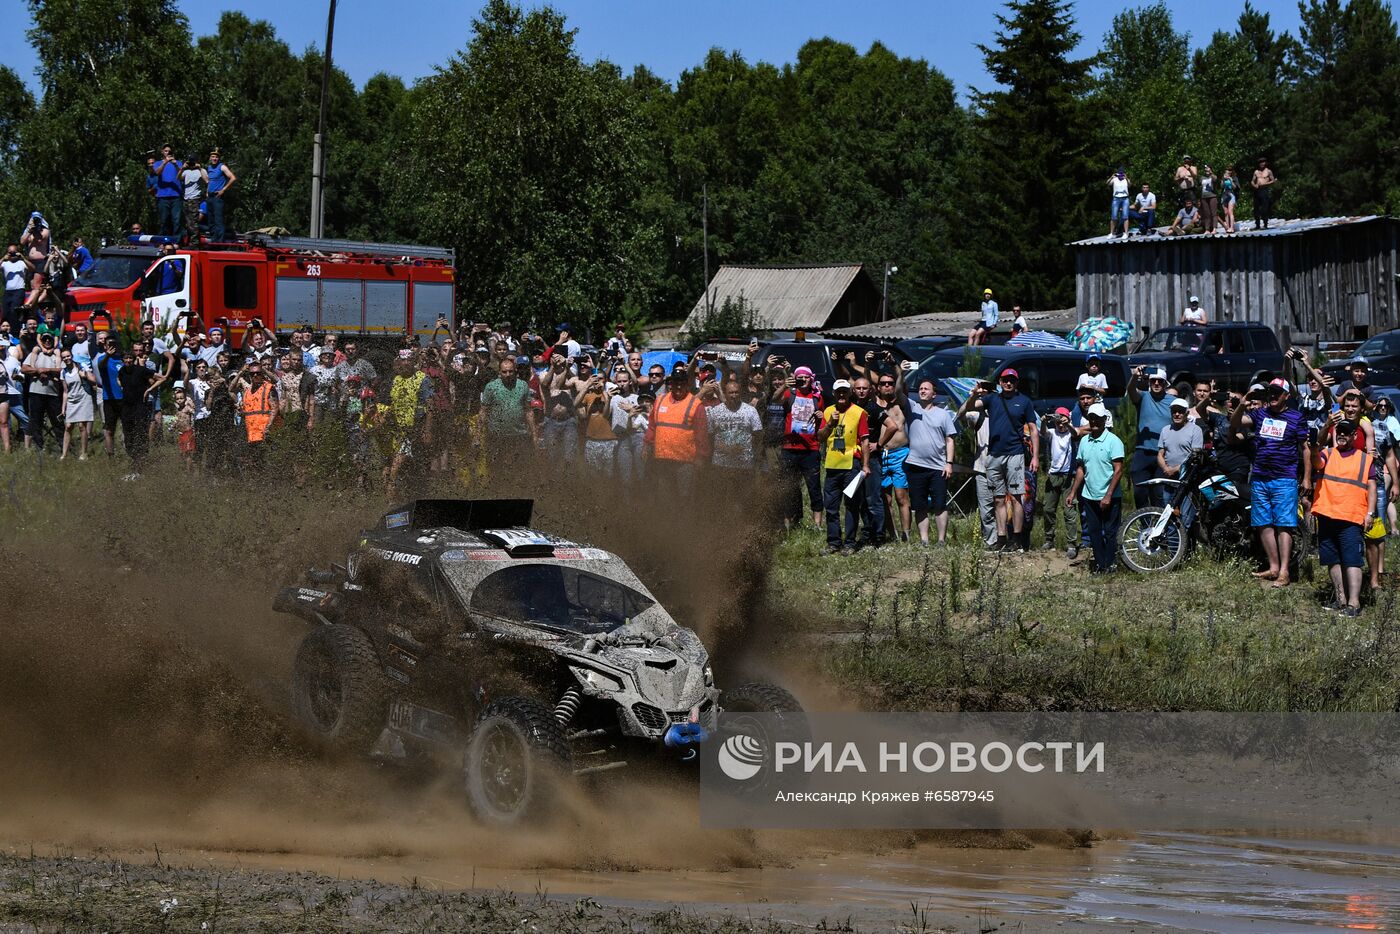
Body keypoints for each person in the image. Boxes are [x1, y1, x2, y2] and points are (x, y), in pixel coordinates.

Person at [1231, 383, 1310, 586]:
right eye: (1270, 393)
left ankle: (1285, 571)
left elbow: (1305, 448)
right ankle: (1273, 567)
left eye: (1277, 393)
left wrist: (1307, 477)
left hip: (1285, 478)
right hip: (1260, 478)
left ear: (1286, 395)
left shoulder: (1296, 417)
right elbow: (1235, 422)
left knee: (1285, 524)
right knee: (1263, 523)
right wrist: (1241, 404)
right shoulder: (1260, 414)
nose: (1272, 396)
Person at [967, 368, 1037, 553]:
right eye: (1005, 380)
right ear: (1000, 381)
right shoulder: (992, 399)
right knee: (998, 499)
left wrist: (1035, 456)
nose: (1008, 383)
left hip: (1015, 454)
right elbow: (972, 407)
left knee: (1016, 497)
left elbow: (1033, 429)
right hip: (994, 455)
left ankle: (1017, 538)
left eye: (1012, 380)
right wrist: (974, 394)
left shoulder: (1024, 401)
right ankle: (1001, 538)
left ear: (1017, 382)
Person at [1312, 419, 1375, 616]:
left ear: (1354, 436)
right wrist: (1315, 448)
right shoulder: (1327, 453)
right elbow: (1316, 462)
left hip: (1351, 516)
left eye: (1346, 433)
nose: (1342, 435)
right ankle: (1340, 601)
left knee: (1352, 560)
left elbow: (1372, 488)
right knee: (1332, 559)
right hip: (1327, 514)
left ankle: (1354, 604)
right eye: (1339, 431)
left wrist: (1370, 513)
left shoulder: (1365, 459)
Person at [1068, 403, 1124, 573]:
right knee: (1093, 532)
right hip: (1089, 495)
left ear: (1105, 419)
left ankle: (1110, 563)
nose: (1094, 421)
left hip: (1110, 496)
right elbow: (1081, 469)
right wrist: (1072, 492)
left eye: (1098, 418)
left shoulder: (1114, 441)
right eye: (1091, 418)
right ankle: (1101, 564)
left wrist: (1108, 495)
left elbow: (1119, 470)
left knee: (1109, 532)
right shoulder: (1085, 441)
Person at [817, 379, 870, 555]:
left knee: (851, 505)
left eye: (844, 391)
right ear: (833, 393)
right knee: (831, 506)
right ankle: (833, 542)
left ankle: (849, 543)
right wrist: (830, 424)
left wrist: (865, 465)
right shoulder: (828, 412)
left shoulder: (859, 412)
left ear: (850, 393)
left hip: (852, 465)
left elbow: (864, 440)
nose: (841, 395)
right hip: (832, 465)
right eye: (838, 391)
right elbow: (821, 437)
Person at [646, 370, 711, 497]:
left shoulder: (695, 404)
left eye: (682, 383)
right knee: (664, 496)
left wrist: (701, 457)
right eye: (676, 383)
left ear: (687, 384)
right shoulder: (659, 400)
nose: (679, 386)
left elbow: (701, 433)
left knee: (684, 497)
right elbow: (652, 426)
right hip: (662, 458)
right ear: (671, 384)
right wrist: (646, 444)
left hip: (685, 461)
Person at [777, 364, 825, 529]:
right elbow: (776, 400)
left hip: (810, 450)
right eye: (800, 377)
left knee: (814, 488)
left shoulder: (817, 398)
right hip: (789, 448)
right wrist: (786, 383)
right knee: (788, 487)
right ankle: (787, 523)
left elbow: (822, 425)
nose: (803, 379)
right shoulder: (789, 394)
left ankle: (817, 525)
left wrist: (821, 417)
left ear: (811, 379)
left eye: (806, 377)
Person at [1128, 365, 1176, 505]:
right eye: (1153, 380)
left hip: (1164, 454)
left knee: (1160, 495)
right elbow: (1131, 390)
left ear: (1165, 384)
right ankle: (1145, 524)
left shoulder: (1172, 401)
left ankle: (1160, 525)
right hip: (1143, 451)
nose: (1156, 383)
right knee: (1139, 492)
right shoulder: (1144, 396)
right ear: (1149, 382)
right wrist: (1135, 377)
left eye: (1160, 381)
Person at [1040, 406, 1080, 557]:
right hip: (1054, 475)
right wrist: (1044, 422)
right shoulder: (1052, 433)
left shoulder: (1071, 433)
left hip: (1068, 476)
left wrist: (1068, 423)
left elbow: (1076, 433)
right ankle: (1049, 539)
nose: (1060, 425)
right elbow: (1043, 432)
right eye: (1058, 422)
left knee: (1069, 510)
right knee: (1048, 509)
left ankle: (1071, 544)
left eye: (1063, 421)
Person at [1158, 397, 1204, 528]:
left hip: (1188, 479)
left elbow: (1195, 456)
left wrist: (1176, 469)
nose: (1177, 414)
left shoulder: (1195, 430)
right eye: (1174, 411)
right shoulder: (1165, 430)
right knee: (1168, 514)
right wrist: (1166, 468)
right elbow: (1160, 453)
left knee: (1186, 517)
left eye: (1180, 411)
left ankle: (1187, 547)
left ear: (1187, 413)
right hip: (1169, 479)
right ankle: (1174, 547)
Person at [708, 376, 763, 480]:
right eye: (731, 393)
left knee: (742, 495)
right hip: (720, 462)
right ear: (725, 394)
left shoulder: (750, 411)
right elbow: (710, 435)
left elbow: (758, 435)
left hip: (744, 463)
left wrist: (756, 457)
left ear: (740, 393)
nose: (734, 395)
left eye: (736, 392)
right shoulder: (715, 412)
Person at [116, 348, 161, 477]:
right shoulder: (122, 371)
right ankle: (135, 462)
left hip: (140, 407)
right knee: (128, 437)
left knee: (140, 434)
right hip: (126, 408)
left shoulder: (141, 370)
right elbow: (119, 380)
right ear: (123, 360)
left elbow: (161, 378)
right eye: (126, 358)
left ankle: (141, 464)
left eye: (130, 358)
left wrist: (149, 389)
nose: (128, 360)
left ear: (134, 359)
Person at [22, 331, 63, 451]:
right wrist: (38, 371)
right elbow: (24, 368)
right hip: (36, 392)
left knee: (57, 421)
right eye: (45, 339)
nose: (47, 341)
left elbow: (61, 370)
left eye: (50, 339)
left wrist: (48, 370)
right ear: (42, 341)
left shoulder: (57, 355)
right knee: (36, 420)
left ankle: (63, 446)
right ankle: (39, 447)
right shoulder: (36, 353)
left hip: (53, 393)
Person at [58, 346, 96, 460]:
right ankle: (64, 454)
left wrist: (84, 375)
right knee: (68, 426)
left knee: (81, 426)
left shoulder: (81, 366)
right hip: (72, 400)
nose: (66, 359)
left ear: (72, 356)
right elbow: (65, 391)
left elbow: (93, 380)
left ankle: (84, 453)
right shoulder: (63, 372)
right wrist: (63, 408)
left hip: (84, 397)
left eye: (68, 356)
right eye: (64, 357)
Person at [146, 144, 184, 237]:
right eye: (166, 151)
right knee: (164, 220)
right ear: (162, 152)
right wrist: (165, 162)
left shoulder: (178, 163)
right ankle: (164, 241)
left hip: (176, 196)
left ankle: (177, 241)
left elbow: (182, 175)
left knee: (177, 220)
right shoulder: (157, 163)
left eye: (169, 151)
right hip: (163, 196)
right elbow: (157, 172)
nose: (168, 153)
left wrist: (174, 164)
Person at [204, 149, 237, 241]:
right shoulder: (209, 168)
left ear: (218, 158)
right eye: (213, 157)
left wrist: (223, 189)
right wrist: (207, 192)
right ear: (210, 158)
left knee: (218, 220)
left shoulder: (222, 167)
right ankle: (214, 240)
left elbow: (233, 178)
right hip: (210, 197)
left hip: (218, 197)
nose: (214, 159)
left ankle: (219, 242)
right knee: (211, 221)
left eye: (216, 157)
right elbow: (209, 181)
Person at [2, 244, 32, 331]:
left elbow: (33, 268)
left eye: (13, 252)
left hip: (18, 290)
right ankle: (8, 330)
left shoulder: (21, 263)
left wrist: (22, 257)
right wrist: (3, 258)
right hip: (8, 291)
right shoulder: (5, 263)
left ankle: (16, 331)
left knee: (14, 310)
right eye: (10, 253)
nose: (12, 254)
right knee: (5, 311)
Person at [180, 155, 206, 243]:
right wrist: (182, 168)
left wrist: (200, 168)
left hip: (195, 199)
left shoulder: (201, 171)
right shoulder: (186, 171)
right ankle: (188, 241)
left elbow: (207, 180)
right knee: (187, 222)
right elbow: (178, 178)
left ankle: (194, 243)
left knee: (193, 222)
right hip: (186, 198)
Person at [172, 385, 197, 470]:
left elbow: (194, 411)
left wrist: (191, 405)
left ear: (185, 399)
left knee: (188, 453)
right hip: (181, 434)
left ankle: (189, 470)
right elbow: (176, 421)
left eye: (181, 398)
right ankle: (187, 467)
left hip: (188, 432)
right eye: (177, 399)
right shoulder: (178, 411)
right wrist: (172, 427)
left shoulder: (187, 408)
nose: (179, 400)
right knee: (182, 452)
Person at [1251, 157, 1277, 230]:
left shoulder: (1268, 171)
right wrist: (1254, 185)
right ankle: (1257, 225)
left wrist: (1265, 184)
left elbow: (1273, 180)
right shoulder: (1256, 171)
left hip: (1264, 190)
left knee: (1264, 208)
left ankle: (1265, 224)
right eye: (1260, 162)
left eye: (1263, 162)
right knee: (1256, 209)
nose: (1262, 164)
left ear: (1265, 163)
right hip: (1257, 190)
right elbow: (1252, 181)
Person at [1108, 167, 1131, 237]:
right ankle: (1111, 233)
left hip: (1125, 199)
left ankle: (1126, 233)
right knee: (1114, 216)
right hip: (1116, 199)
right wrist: (1111, 177)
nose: (1121, 175)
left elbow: (1130, 185)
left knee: (1125, 216)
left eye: (1122, 173)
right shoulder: (1114, 179)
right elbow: (1108, 184)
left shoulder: (1126, 179)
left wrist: (1126, 178)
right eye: (1119, 173)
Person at [1198, 164, 1219, 234]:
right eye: (1206, 168)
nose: (1206, 169)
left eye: (1208, 168)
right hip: (1204, 197)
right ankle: (1207, 229)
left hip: (1212, 196)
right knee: (1206, 214)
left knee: (1214, 213)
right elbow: (1199, 186)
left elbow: (1215, 180)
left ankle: (1214, 228)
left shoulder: (1213, 176)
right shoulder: (1202, 177)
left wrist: (1211, 173)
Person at [1220, 167, 1238, 235]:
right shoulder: (1223, 178)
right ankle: (1228, 227)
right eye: (1226, 172)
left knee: (1230, 211)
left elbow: (1234, 187)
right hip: (1224, 195)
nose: (1227, 173)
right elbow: (1221, 186)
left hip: (1231, 195)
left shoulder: (1233, 178)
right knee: (1226, 212)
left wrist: (1230, 180)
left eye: (1229, 172)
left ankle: (1232, 227)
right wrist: (1223, 179)